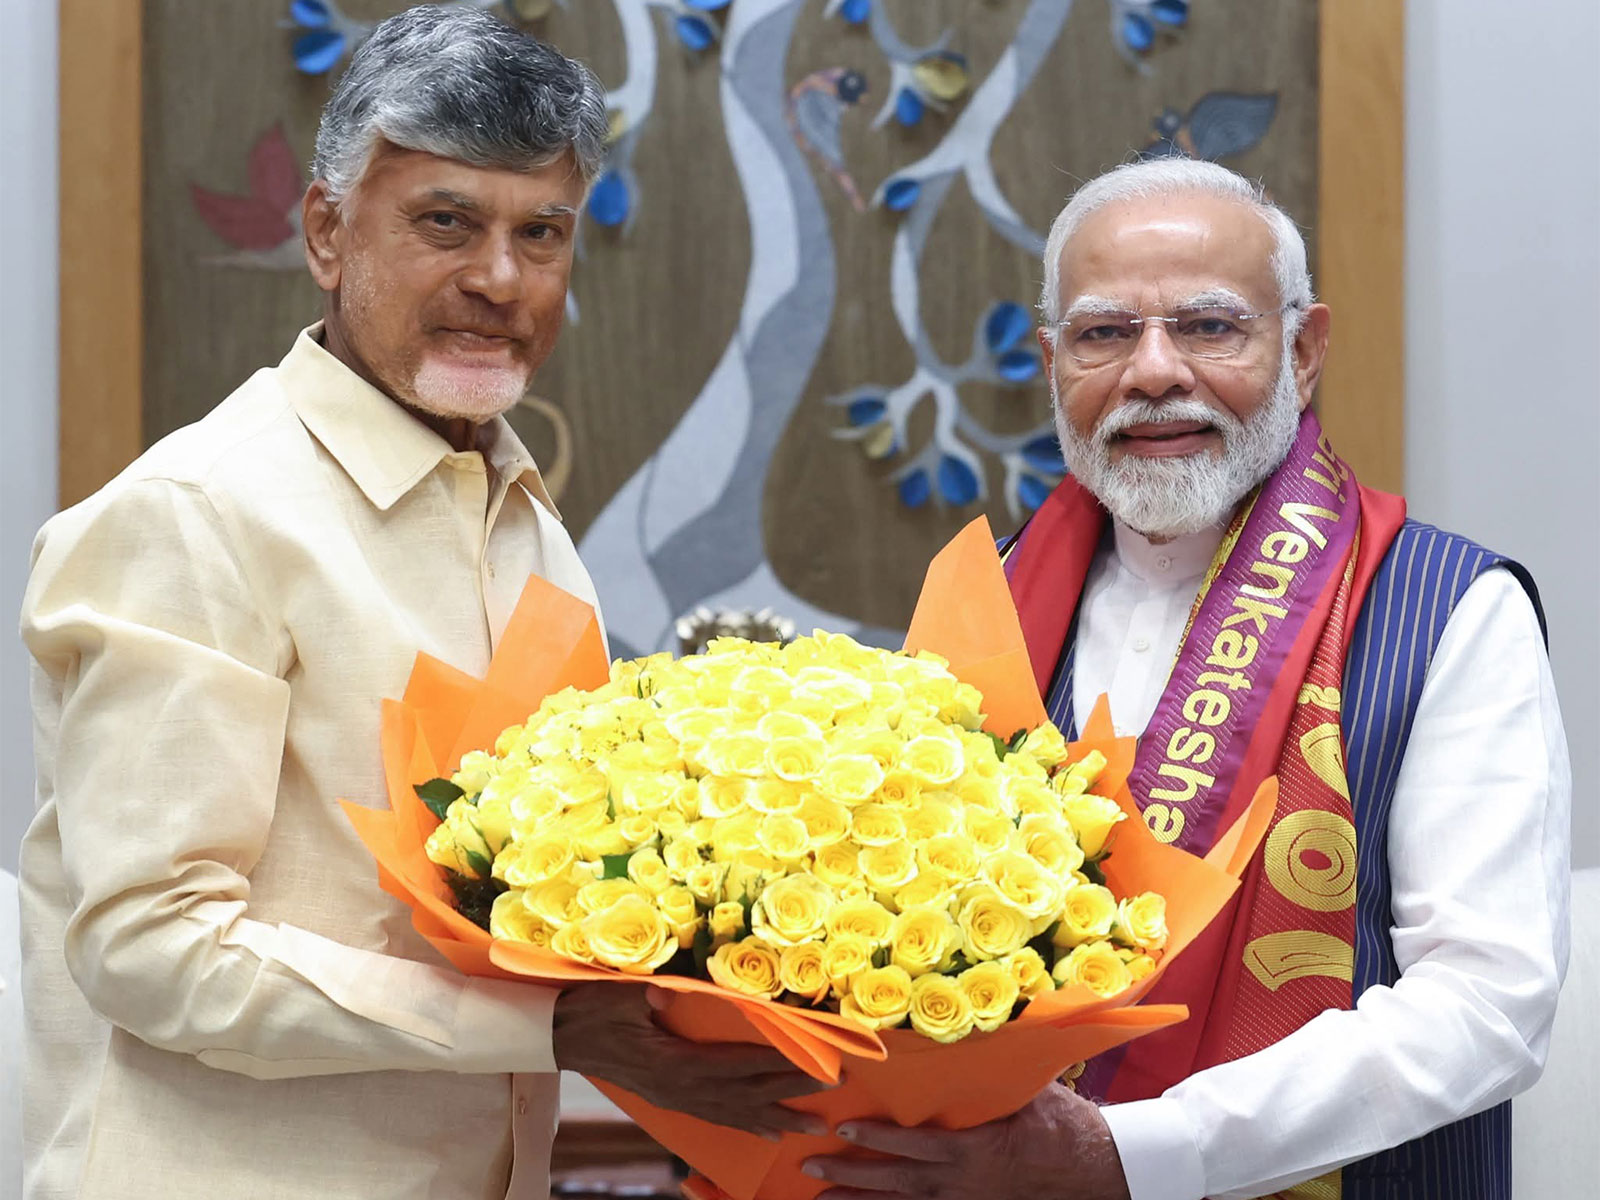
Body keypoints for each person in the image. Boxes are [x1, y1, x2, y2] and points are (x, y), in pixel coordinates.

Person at [17, 9, 823, 1199]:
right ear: (329, 234)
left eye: (539, 233)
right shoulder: (198, 511)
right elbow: (150, 948)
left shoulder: (527, 526)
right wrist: (545, 1030)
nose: (498, 279)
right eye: (445, 222)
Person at [801, 158, 1571, 1199]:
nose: (1153, 372)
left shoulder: (1447, 608)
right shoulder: (980, 610)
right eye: (1103, 334)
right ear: (1051, 363)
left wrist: (1129, 1157)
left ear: (1303, 352)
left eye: (1209, 327)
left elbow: (1487, 1004)